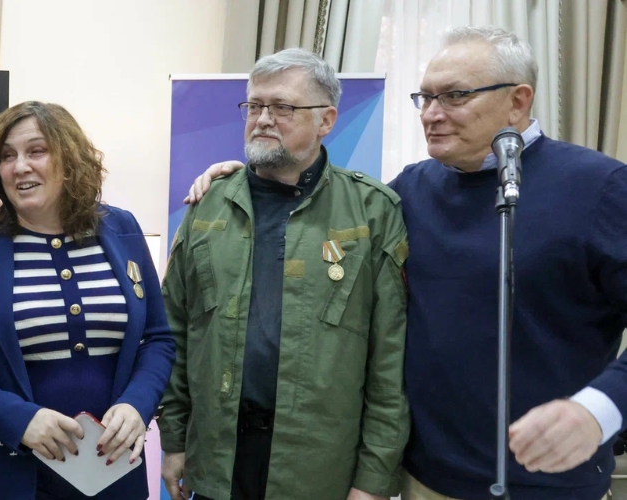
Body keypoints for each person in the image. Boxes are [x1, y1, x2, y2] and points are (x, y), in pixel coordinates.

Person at [187, 26, 627, 500]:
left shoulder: (600, 189)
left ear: (518, 102)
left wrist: (599, 410)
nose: (431, 114)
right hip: (422, 481)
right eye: (425, 97)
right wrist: (248, 184)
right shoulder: (409, 192)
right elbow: (325, 207)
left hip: (552, 484)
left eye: (455, 96)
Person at [158, 48, 410, 500]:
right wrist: (174, 441)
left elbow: (389, 358)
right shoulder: (207, 207)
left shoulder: (372, 212)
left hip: (318, 470)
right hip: (218, 459)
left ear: (326, 120)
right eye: (254, 106)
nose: (263, 119)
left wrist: (373, 478)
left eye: (282, 108)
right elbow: (175, 331)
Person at [0, 101, 175, 500]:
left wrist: (137, 404)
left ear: (69, 159)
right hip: (6, 474)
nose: (20, 166)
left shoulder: (122, 227)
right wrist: (20, 420)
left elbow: (157, 338)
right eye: (7, 156)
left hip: (112, 471)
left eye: (36, 151)